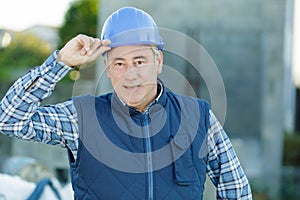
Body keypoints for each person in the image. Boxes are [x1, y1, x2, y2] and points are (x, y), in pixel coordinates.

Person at [0, 6, 252, 200]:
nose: (130, 74)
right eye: (119, 63)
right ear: (108, 69)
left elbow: (236, 190)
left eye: (140, 61)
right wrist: (61, 62)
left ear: (159, 62)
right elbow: (9, 120)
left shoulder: (198, 117)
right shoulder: (82, 118)